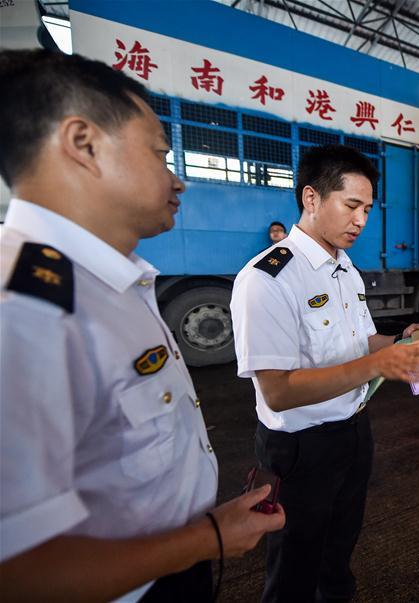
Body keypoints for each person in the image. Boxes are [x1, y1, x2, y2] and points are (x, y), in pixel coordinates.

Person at [0, 49, 285, 602]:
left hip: (171, 562)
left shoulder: (107, 283)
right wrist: (208, 538)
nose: (176, 181)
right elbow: (18, 572)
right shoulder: (23, 309)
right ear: (83, 144)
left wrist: (204, 533)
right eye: (159, 154)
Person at [230, 144, 419, 602]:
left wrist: (401, 342)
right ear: (311, 198)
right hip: (300, 452)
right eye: (351, 206)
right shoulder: (267, 280)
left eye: (367, 209)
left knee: (338, 559)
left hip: (353, 435)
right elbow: (278, 392)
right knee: (293, 572)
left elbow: (361, 344)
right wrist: (376, 364)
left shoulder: (345, 270)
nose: (361, 220)